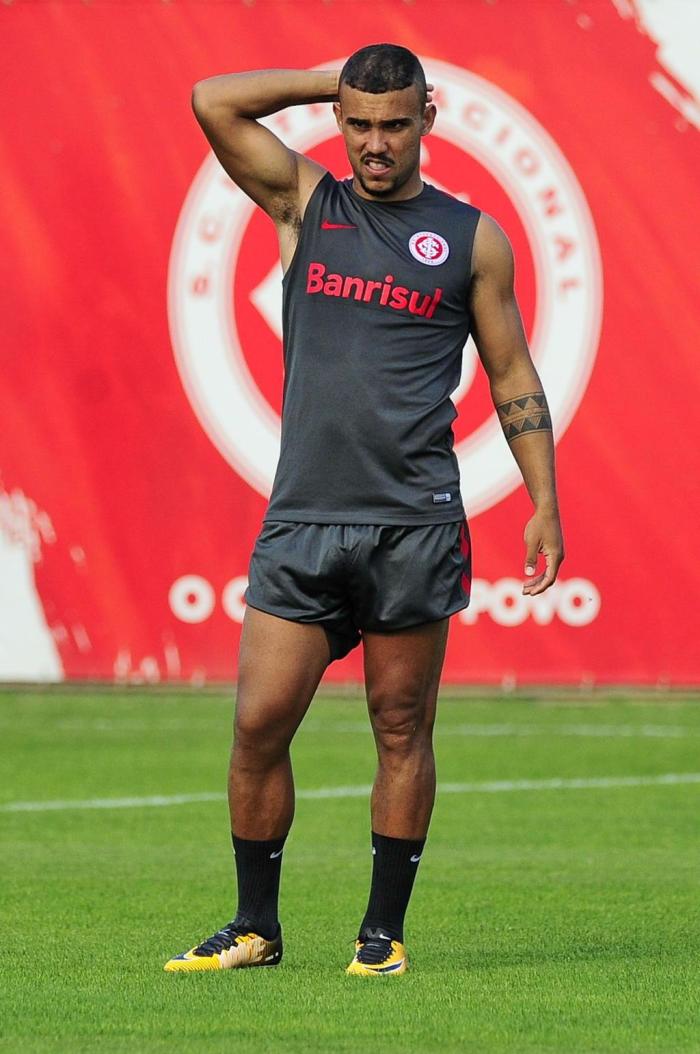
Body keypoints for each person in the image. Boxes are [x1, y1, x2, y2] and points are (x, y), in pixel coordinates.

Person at [164, 43, 564, 977]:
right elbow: (211, 100)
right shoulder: (307, 203)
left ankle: (380, 936)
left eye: (392, 123)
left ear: (428, 119)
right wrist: (326, 80)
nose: (374, 143)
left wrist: (544, 498)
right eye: (358, 124)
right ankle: (256, 928)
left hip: (414, 524)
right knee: (260, 724)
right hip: (303, 518)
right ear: (339, 122)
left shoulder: (472, 240)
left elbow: (511, 372)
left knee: (400, 727)